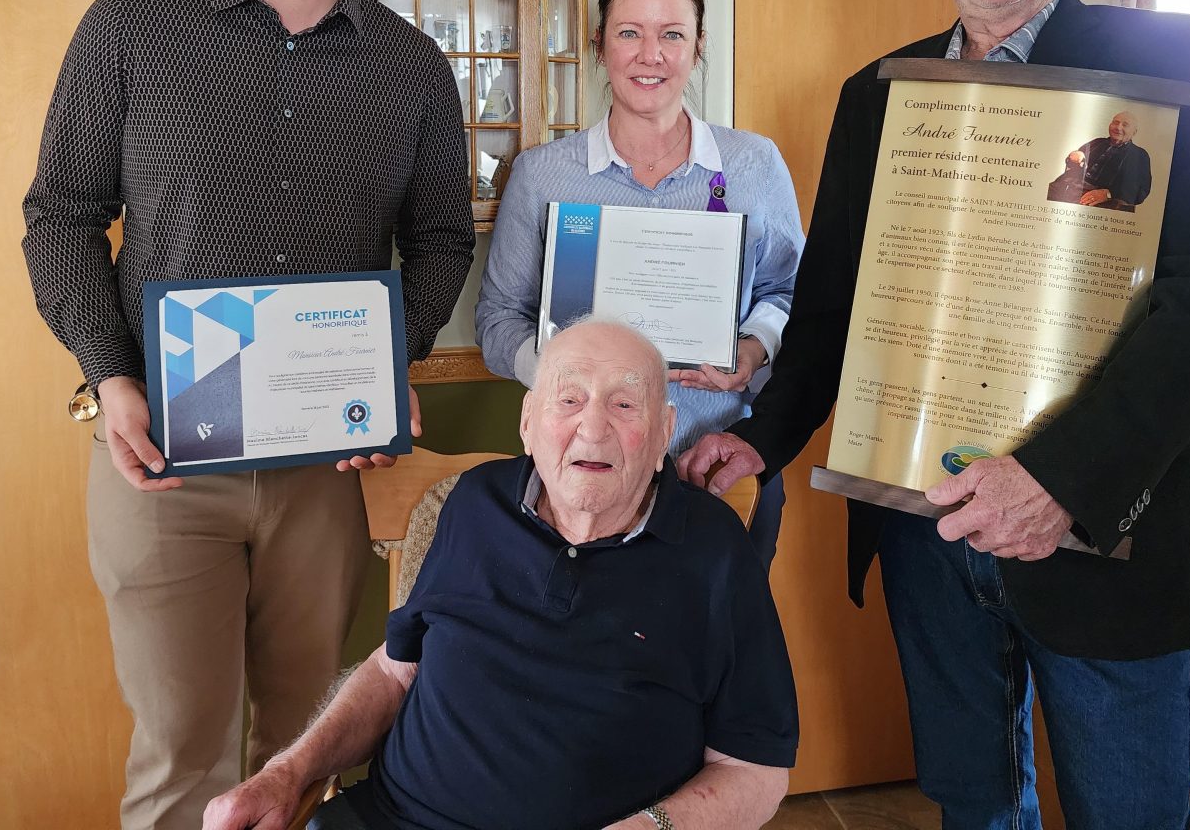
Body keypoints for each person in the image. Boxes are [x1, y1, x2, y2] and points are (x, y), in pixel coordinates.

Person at [679, 0, 1190, 829]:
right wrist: (758, 437)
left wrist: (1060, 480)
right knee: (974, 804)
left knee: (1130, 812)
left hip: (1103, 532)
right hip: (927, 531)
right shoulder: (879, 95)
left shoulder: (1176, 58)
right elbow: (833, 303)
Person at [21, 0, 474, 829]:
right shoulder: (130, 28)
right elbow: (62, 217)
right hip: (162, 461)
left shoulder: (412, 68)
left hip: (322, 469)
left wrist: (383, 361)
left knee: (301, 748)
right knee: (180, 759)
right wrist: (110, 376)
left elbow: (444, 240)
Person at [202, 318, 799, 830]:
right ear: (527, 420)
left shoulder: (714, 550)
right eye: (568, 400)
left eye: (624, 404)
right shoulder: (475, 501)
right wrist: (286, 773)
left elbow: (756, 770)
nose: (593, 429)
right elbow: (393, 670)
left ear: (665, 430)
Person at [475, 0, 804, 567]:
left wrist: (751, 351)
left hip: (718, 463)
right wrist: (572, 379)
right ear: (600, 44)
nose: (650, 55)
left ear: (698, 45)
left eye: (671, 34)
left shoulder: (754, 164)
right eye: (630, 33)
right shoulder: (546, 176)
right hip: (581, 472)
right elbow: (496, 322)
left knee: (718, 655)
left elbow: (791, 293)